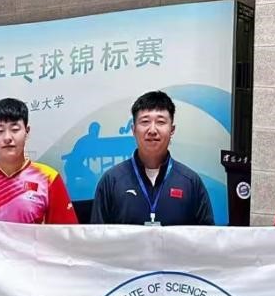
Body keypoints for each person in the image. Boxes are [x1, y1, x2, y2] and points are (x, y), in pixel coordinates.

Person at [90, 90, 214, 226]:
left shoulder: (190, 182)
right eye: (145, 122)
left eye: (160, 122)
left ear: (172, 130)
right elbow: (97, 236)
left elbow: (206, 236)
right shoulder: (111, 181)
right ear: (133, 129)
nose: (152, 130)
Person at [0, 98, 77, 223]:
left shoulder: (48, 178)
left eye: (15, 129)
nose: (7, 137)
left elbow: (66, 231)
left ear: (26, 132)